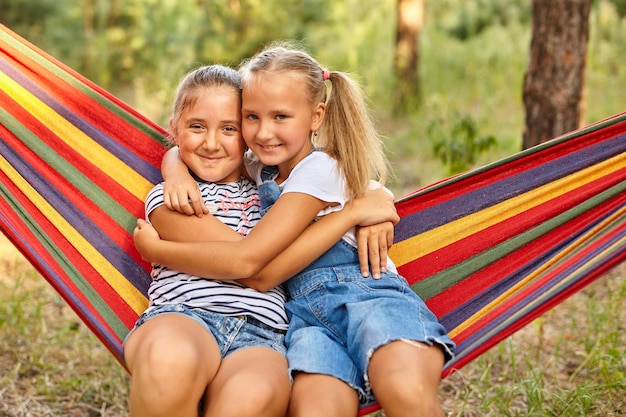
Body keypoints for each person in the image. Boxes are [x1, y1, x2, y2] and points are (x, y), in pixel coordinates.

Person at [134, 42, 455, 417]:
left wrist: (362, 211)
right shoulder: (262, 169)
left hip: (364, 296)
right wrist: (173, 168)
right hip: (304, 320)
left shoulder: (317, 169)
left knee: (404, 388)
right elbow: (193, 147)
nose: (264, 133)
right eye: (251, 117)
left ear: (316, 116)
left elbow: (258, 268)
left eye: (280, 117)